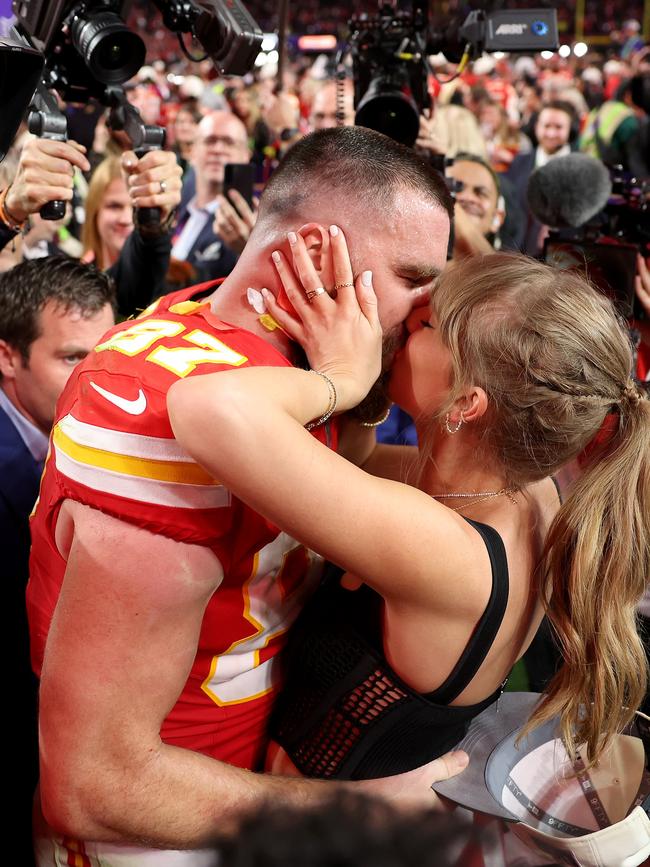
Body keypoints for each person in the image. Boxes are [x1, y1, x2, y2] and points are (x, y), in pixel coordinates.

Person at [28, 126, 463, 867]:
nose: (428, 310)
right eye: (413, 278)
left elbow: (334, 482)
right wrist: (370, 808)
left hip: (233, 782)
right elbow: (94, 781)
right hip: (151, 836)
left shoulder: (241, 338)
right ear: (318, 256)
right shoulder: (162, 418)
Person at [168, 241, 649, 784]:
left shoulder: (450, 552)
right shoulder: (515, 483)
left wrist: (341, 379)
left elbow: (203, 408)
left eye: (428, 324)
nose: (403, 317)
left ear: (467, 402)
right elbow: (361, 459)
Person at [0, 257, 116, 863]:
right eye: (73, 358)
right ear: (7, 357)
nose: (96, 377)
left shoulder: (79, 440)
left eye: (106, 353)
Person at [81, 151, 182, 313]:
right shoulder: (72, 281)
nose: (127, 219)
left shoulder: (183, 279)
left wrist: (152, 224)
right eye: (114, 206)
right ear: (94, 212)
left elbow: (143, 260)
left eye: (137, 208)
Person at [172, 110, 252, 281]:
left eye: (229, 142)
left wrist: (249, 252)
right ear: (192, 152)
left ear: (246, 155)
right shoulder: (174, 206)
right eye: (210, 141)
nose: (218, 149)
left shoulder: (252, 224)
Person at [507, 100, 577, 255]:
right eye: (546, 126)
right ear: (537, 127)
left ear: (570, 129)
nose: (551, 133)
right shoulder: (519, 162)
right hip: (518, 256)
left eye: (558, 127)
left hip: (563, 259)